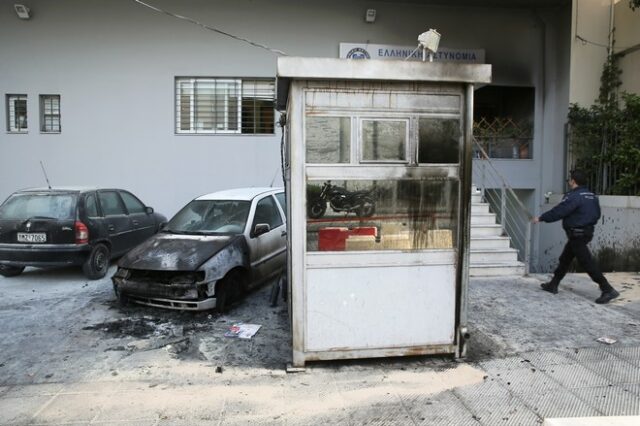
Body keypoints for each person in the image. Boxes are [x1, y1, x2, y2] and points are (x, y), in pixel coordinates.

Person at [532, 170, 619, 304]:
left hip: (577, 234)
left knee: (587, 262)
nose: (569, 182)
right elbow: (596, 214)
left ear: (573, 181)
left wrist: (542, 218)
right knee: (565, 259)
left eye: (569, 180)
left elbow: (560, 211)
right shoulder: (592, 196)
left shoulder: (574, 196)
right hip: (586, 232)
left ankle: (607, 289)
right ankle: (553, 284)